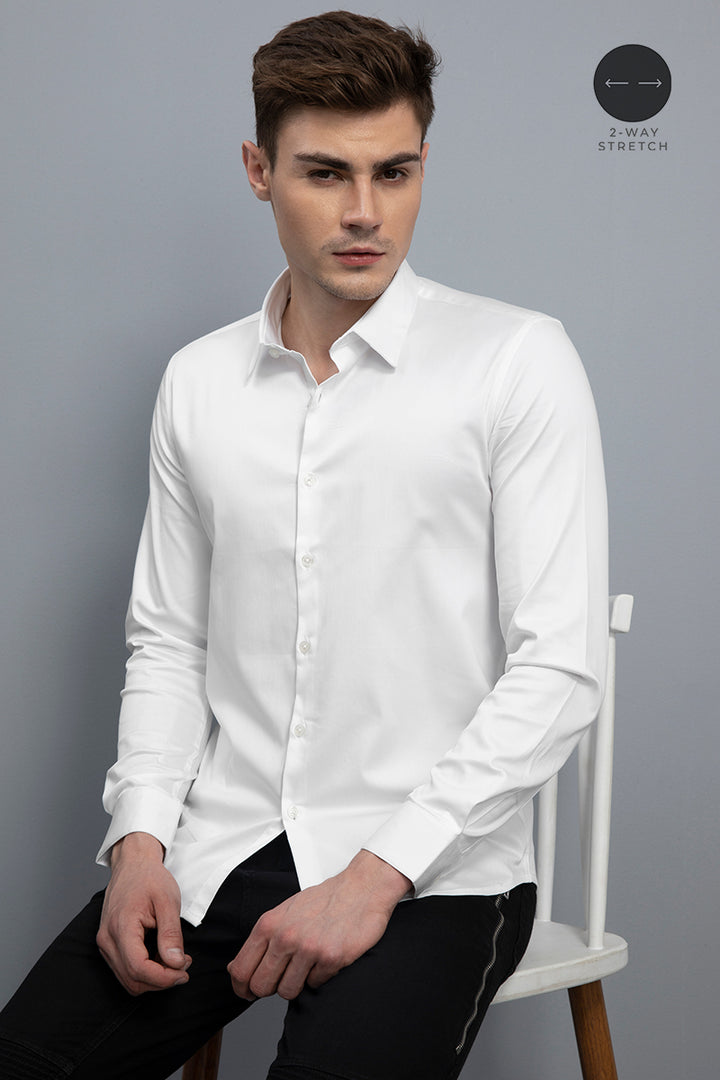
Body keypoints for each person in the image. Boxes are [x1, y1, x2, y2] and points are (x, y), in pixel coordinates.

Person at [0, 10, 608, 1080]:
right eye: (326, 173)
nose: (365, 212)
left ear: (424, 167)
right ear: (259, 170)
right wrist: (139, 842)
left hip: (434, 866)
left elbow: (558, 667)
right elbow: (171, 641)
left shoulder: (516, 361)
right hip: (224, 845)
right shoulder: (199, 382)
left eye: (394, 172)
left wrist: (374, 876)